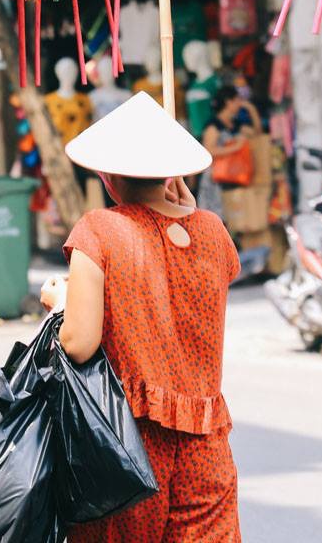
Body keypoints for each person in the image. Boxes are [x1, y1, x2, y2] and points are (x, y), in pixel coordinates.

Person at [40, 91, 242, 542]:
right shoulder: (212, 231)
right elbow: (200, 265)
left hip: (127, 447)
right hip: (207, 446)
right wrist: (186, 211)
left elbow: (78, 342)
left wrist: (61, 302)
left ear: (109, 177)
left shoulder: (100, 229)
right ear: (171, 174)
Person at [197, 85, 261, 216]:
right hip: (214, 182)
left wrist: (252, 109)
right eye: (237, 100)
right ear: (228, 102)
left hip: (231, 179)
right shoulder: (213, 125)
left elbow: (257, 133)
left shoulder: (235, 124)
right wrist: (234, 148)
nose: (240, 103)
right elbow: (208, 151)